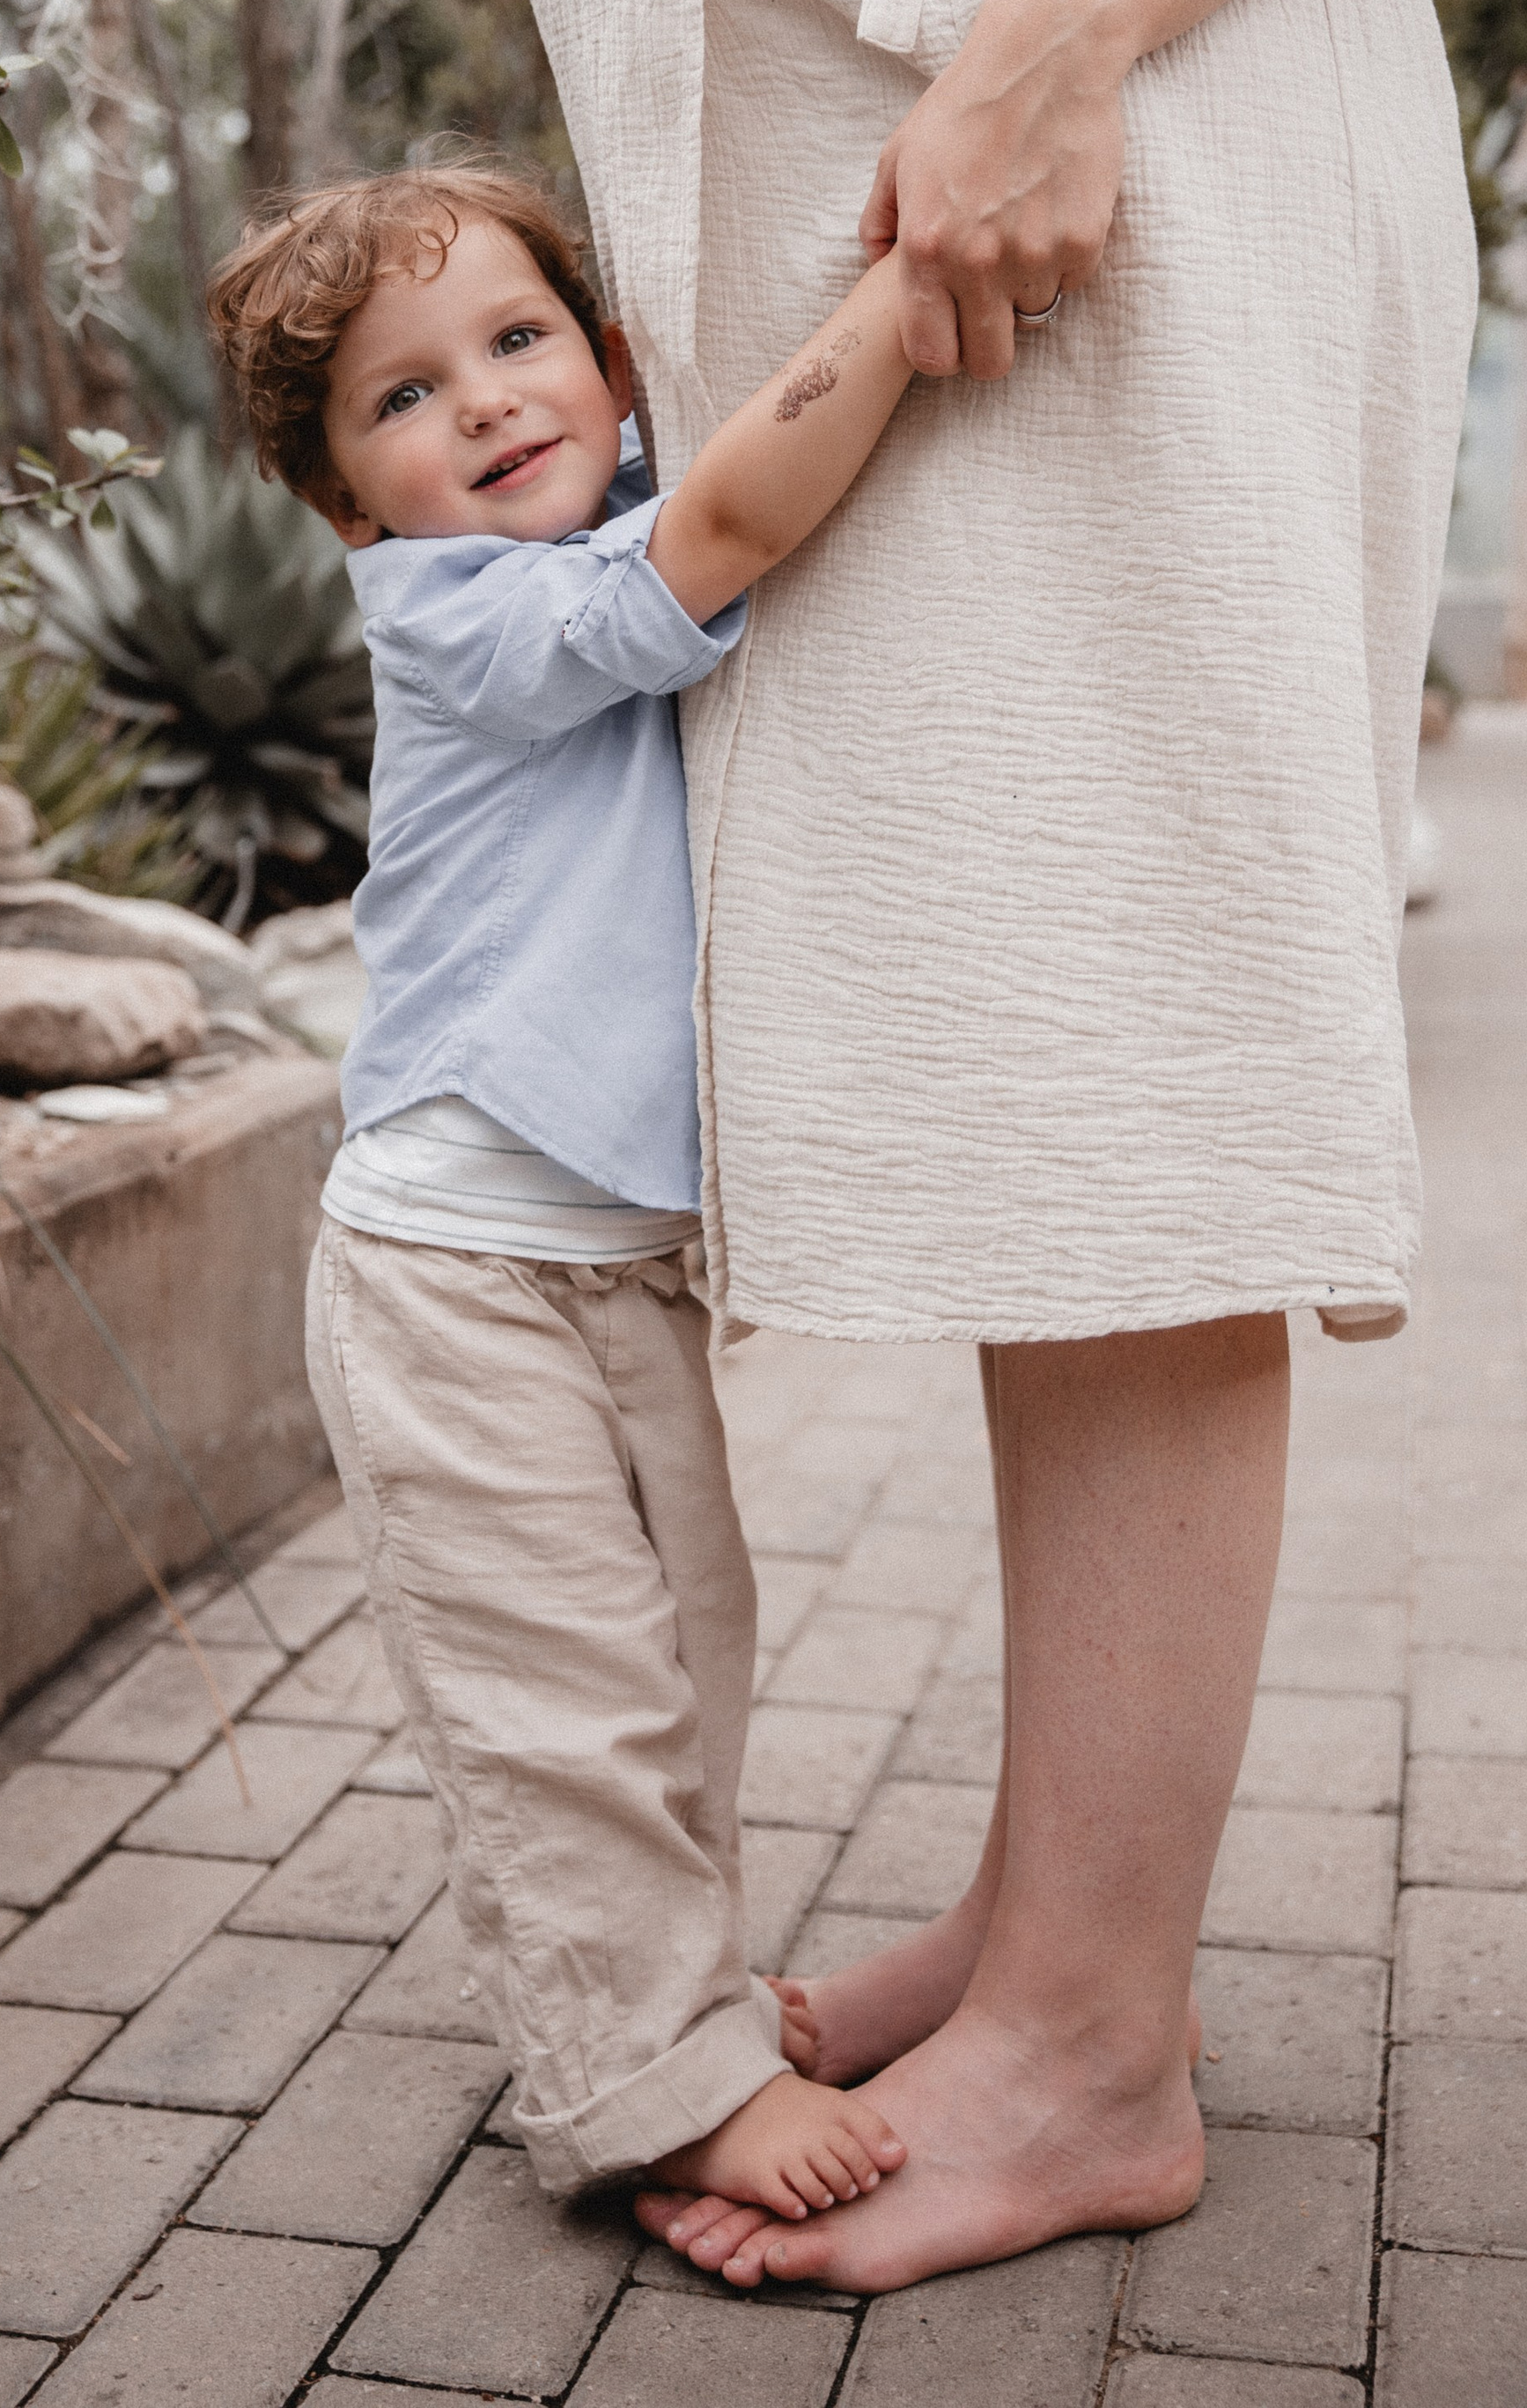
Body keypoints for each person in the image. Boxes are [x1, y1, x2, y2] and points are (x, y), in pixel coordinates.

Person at [493, 0, 1506, 2293]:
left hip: (1098, 166)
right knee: (1012, 1043)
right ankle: (1058, 1909)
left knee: (1131, 1030)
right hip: (866, 214)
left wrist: (1053, 40)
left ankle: (1097, 2050)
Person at [208, 160, 923, 2220]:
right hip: (449, 1272)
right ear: (349, 505)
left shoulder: (607, 537)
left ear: (612, 368)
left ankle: (673, 1994)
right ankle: (647, 2086)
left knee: (689, 1657)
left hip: (610, 1274)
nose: (488, 403)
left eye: (518, 342)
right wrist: (902, 286)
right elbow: (707, 541)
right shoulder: (458, 611)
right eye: (402, 398)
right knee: (559, 1707)